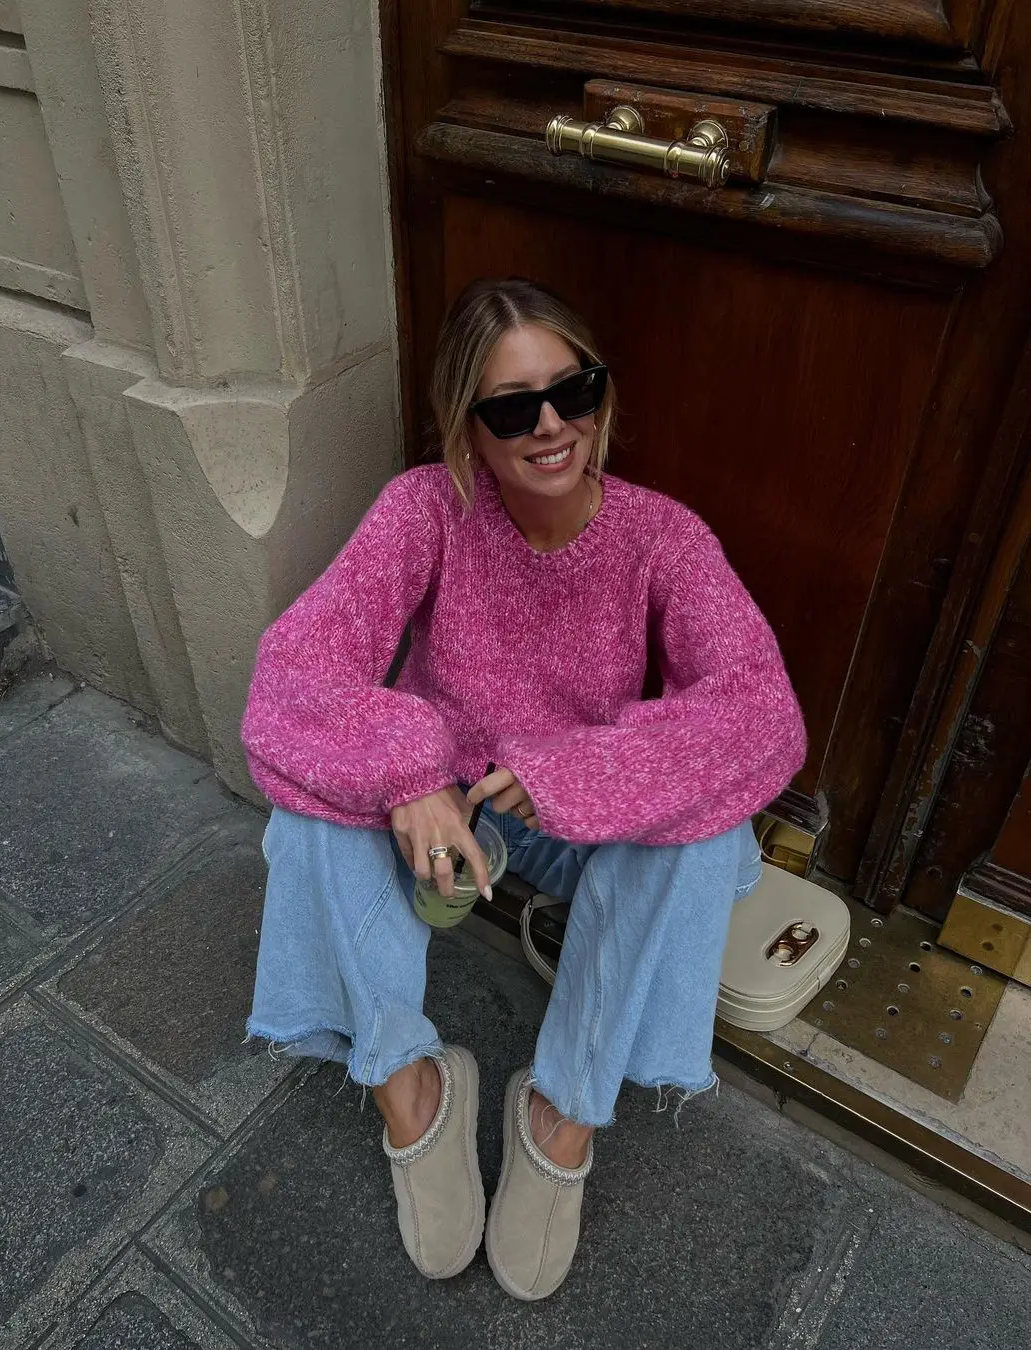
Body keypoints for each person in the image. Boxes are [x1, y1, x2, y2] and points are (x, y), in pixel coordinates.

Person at [241, 277, 806, 1301]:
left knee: (706, 833)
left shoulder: (661, 537)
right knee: (310, 812)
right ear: (468, 426)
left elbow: (762, 713)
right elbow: (292, 674)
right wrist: (409, 772)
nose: (550, 426)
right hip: (449, 807)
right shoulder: (427, 508)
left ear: (600, 395)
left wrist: (579, 773)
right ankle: (412, 1088)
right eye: (512, 408)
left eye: (571, 391)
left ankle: (562, 1111)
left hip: (582, 815)